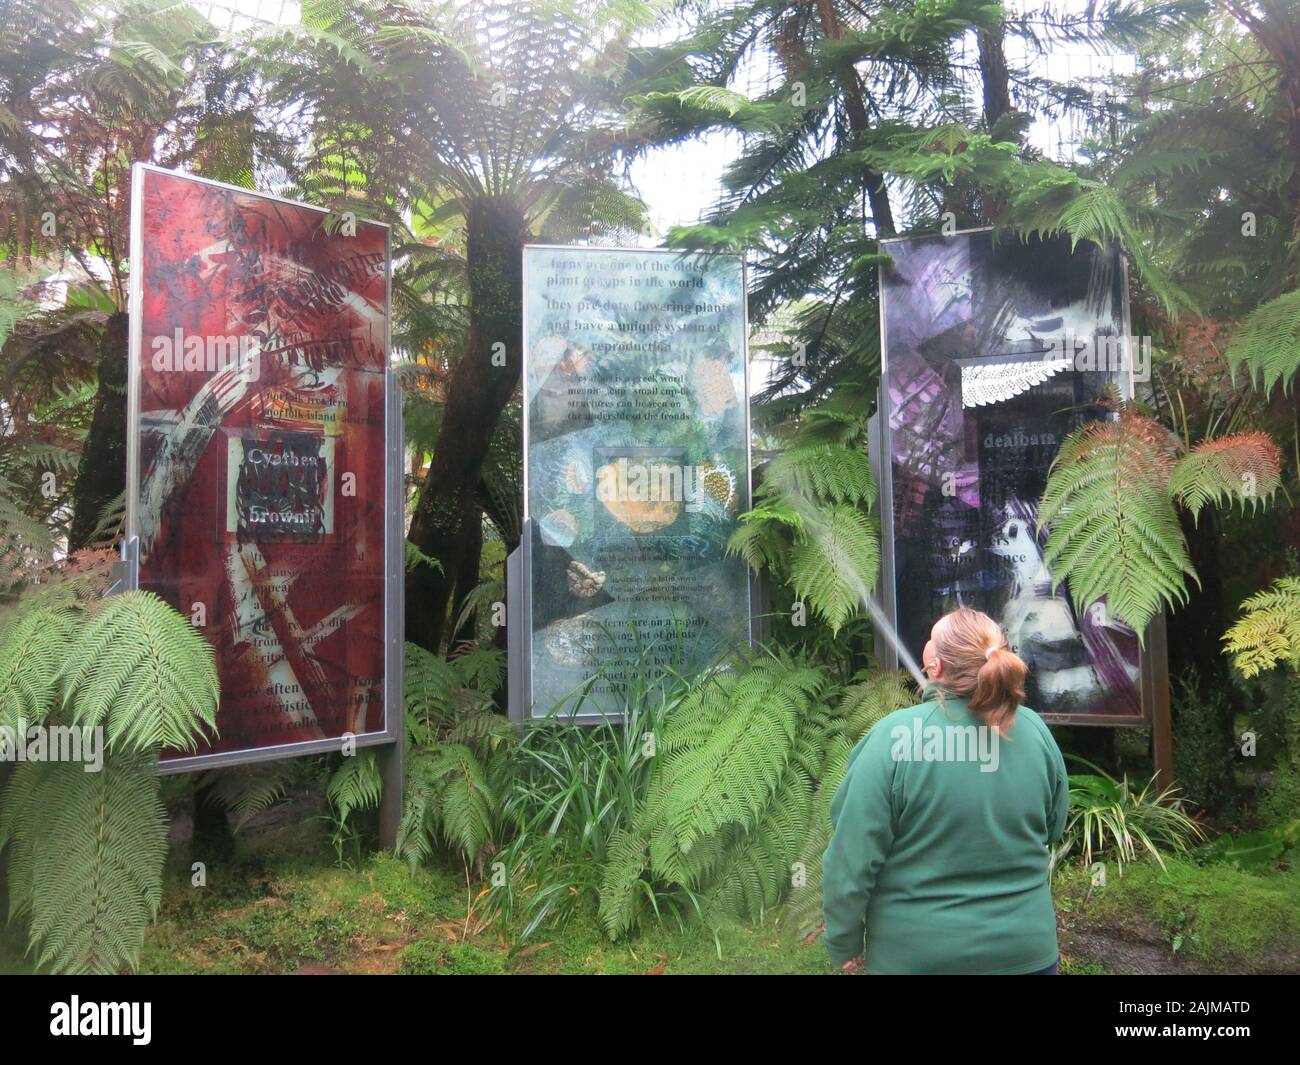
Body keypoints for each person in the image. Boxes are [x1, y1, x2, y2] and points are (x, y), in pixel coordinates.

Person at [822, 606, 1070, 974]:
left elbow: (851, 857)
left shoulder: (894, 736)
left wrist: (843, 940)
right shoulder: (1034, 731)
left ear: (935, 668)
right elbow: (1053, 827)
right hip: (1027, 957)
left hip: (915, 959)